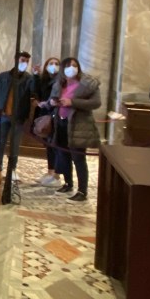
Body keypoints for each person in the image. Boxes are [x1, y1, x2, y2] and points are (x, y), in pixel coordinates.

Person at [49, 56, 100, 201]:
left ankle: (82, 191)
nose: (71, 68)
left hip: (79, 124)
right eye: (68, 66)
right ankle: (68, 183)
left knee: (78, 158)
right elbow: (52, 98)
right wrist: (51, 102)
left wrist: (72, 102)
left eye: (74, 65)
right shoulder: (60, 84)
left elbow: (96, 103)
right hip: (61, 122)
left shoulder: (87, 85)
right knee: (63, 155)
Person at [0, 51, 35, 173]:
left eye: (27, 61)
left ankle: (12, 169)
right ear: (16, 60)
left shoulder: (29, 78)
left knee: (15, 145)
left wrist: (36, 76)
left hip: (18, 116)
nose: (24, 63)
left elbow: (33, 91)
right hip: (3, 114)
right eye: (22, 60)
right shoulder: (3, 76)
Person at [32, 56, 63, 185]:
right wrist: (35, 75)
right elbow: (36, 91)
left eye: (56, 63)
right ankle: (50, 172)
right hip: (44, 114)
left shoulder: (61, 81)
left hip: (56, 115)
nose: (54, 66)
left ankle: (56, 175)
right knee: (48, 145)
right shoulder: (44, 80)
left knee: (55, 146)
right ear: (46, 66)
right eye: (51, 63)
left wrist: (48, 103)